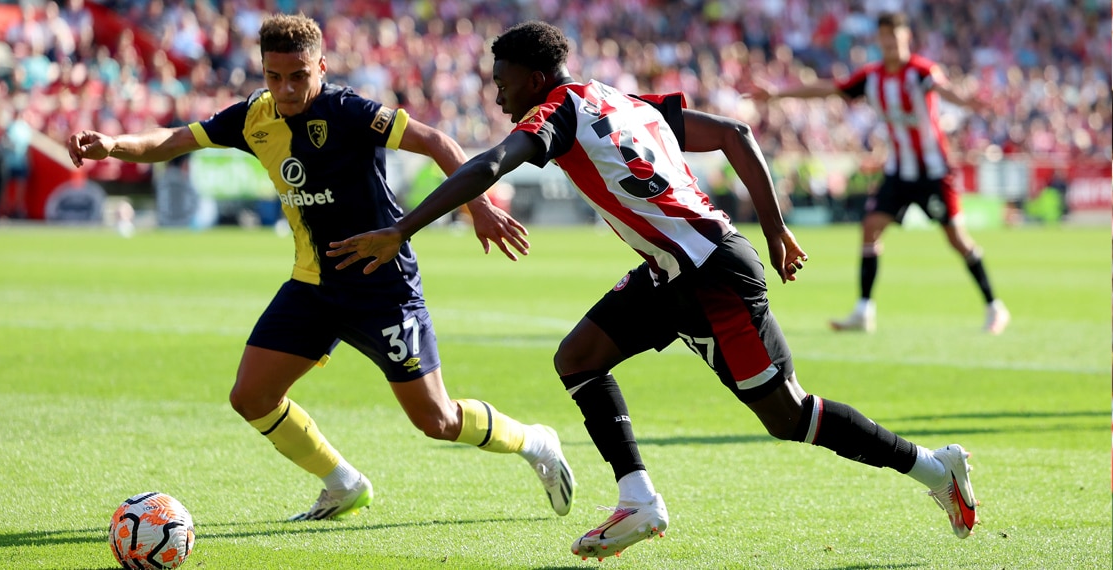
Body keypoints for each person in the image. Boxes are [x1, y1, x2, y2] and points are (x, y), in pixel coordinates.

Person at [328, 20, 979, 560]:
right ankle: (638, 499)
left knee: (788, 416)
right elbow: (734, 135)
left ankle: (934, 466)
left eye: (502, 85)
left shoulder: (556, 112)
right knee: (578, 359)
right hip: (673, 272)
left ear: (532, 79)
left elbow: (491, 162)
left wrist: (403, 228)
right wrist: (775, 232)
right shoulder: (618, 99)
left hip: (713, 275)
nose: (498, 98)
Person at [66, 14, 574, 522]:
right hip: (313, 284)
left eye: (298, 76)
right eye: (274, 76)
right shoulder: (253, 117)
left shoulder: (348, 110)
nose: (286, 89)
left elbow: (438, 142)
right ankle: (343, 483)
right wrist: (114, 145)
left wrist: (479, 208)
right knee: (251, 396)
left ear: (322, 68)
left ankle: (535, 443)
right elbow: (176, 140)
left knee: (437, 420)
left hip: (382, 283)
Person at [752, 11, 1010, 334]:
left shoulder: (921, 72)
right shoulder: (871, 77)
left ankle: (994, 306)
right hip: (899, 172)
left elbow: (945, 91)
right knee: (870, 228)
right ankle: (864, 310)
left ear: (906, 39)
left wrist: (968, 102)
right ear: (879, 40)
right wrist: (777, 94)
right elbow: (830, 89)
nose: (889, 42)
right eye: (884, 36)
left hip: (933, 173)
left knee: (957, 239)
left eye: (895, 36)